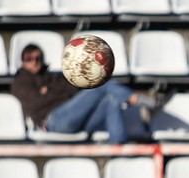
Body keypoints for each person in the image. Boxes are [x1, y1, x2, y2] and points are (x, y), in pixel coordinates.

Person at [10, 43, 170, 144]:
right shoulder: (20, 81)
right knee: (100, 87)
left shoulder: (55, 77)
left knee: (111, 100)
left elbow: (75, 89)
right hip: (53, 121)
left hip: (77, 118)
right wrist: (58, 94)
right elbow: (37, 103)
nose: (34, 61)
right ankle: (144, 101)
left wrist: (48, 92)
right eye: (28, 58)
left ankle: (118, 149)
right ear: (22, 61)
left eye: (37, 58)